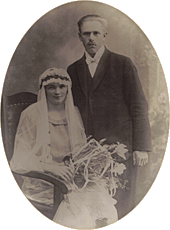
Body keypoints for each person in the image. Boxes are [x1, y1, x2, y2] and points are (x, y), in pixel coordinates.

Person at [10, 68, 118, 229]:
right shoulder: (31, 114)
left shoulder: (73, 112)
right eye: (51, 87)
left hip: (74, 177)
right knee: (77, 215)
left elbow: (80, 151)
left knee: (103, 206)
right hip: (45, 180)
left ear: (68, 88)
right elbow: (19, 158)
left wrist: (85, 168)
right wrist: (51, 168)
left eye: (62, 86)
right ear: (43, 89)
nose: (57, 92)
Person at [67, 14, 152, 219]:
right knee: (93, 207)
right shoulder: (73, 70)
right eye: (86, 34)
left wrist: (141, 147)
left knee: (120, 203)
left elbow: (138, 107)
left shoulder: (123, 64)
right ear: (79, 37)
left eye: (96, 33)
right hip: (86, 152)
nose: (91, 38)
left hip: (120, 148)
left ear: (105, 35)